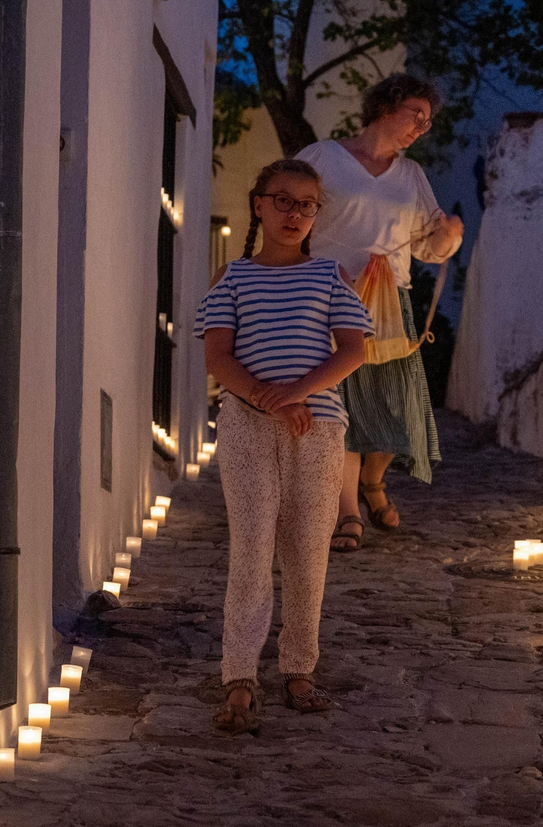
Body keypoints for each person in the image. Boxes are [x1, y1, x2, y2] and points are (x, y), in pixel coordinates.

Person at [195, 159, 373, 734]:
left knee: (306, 550)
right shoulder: (232, 279)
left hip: (317, 430)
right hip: (247, 429)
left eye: (306, 204)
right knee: (251, 545)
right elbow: (218, 357)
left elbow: (352, 350)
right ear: (259, 204)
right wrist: (270, 402)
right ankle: (239, 676)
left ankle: (299, 668)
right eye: (283, 200)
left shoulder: (329, 278)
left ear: (317, 213)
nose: (294, 213)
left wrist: (295, 395)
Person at [295, 74, 464, 552]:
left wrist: (449, 236)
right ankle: (347, 510)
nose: (422, 127)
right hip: (333, 294)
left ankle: (372, 481)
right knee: (342, 405)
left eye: (428, 121)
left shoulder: (410, 175)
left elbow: (429, 248)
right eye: (417, 113)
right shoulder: (323, 157)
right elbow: (290, 211)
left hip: (392, 300)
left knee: (394, 406)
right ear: (387, 105)